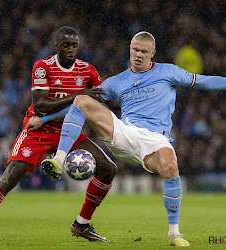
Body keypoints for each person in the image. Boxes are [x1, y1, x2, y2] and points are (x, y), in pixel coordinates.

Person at [30, 31, 226, 247]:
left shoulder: (168, 72)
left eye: (143, 51)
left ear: (153, 53)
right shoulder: (116, 82)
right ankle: (59, 159)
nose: (138, 55)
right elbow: (77, 104)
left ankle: (174, 234)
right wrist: (44, 119)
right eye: (135, 50)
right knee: (83, 99)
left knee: (171, 167)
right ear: (130, 50)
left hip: (155, 140)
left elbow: (205, 82)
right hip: (124, 133)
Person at [0, 26, 116, 243]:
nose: (71, 50)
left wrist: (133, 99)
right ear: (56, 46)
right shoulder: (43, 67)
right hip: (38, 130)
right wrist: (78, 95)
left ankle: (81, 224)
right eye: (66, 45)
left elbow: (105, 99)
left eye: (74, 45)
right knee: (10, 177)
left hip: (68, 131)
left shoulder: (87, 70)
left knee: (108, 168)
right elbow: (41, 106)